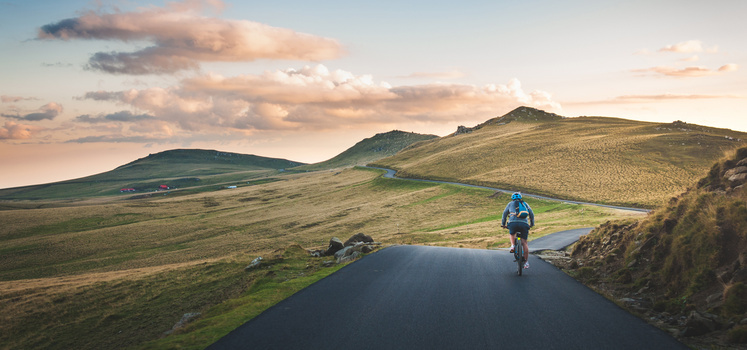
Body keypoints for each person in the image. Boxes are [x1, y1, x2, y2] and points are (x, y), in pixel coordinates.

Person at [501, 192, 535, 269]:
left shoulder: (510, 204)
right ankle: (526, 263)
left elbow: (504, 214)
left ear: (512, 198)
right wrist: (532, 224)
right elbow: (531, 214)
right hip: (524, 224)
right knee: (524, 243)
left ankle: (513, 246)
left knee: (512, 233)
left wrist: (503, 224)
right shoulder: (525, 204)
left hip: (513, 223)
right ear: (521, 198)